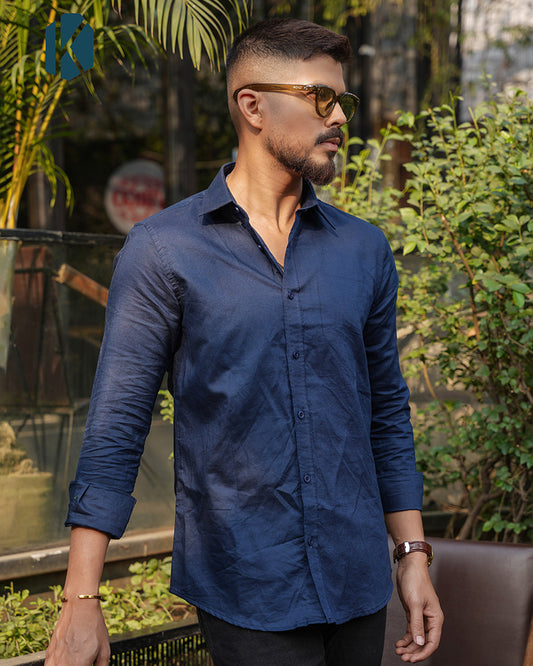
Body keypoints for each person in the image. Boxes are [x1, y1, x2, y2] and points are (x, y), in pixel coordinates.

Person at [46, 17, 443, 666]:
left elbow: (386, 415)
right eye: (319, 97)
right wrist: (81, 599)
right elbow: (117, 426)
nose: (338, 117)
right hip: (244, 584)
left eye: (342, 100)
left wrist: (412, 555)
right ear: (252, 106)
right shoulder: (164, 250)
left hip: (357, 582)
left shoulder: (363, 250)